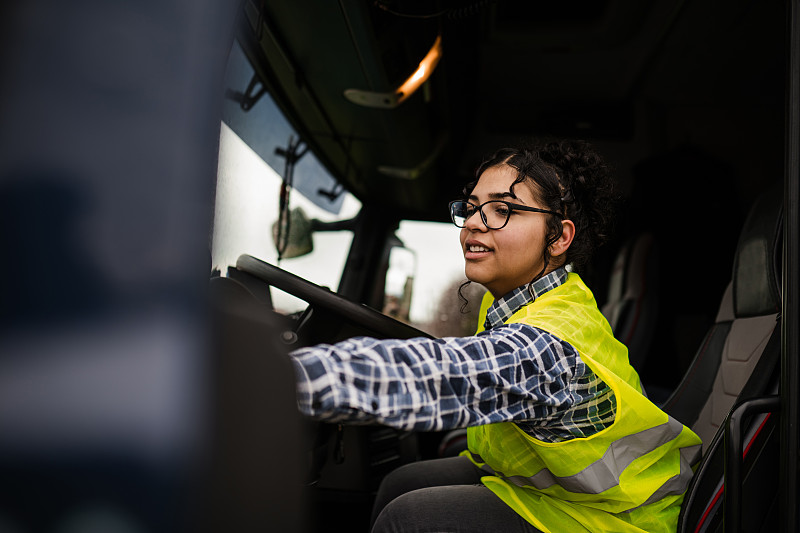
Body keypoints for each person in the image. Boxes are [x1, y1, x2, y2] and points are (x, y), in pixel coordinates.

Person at [288, 139, 702, 533]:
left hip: (619, 520)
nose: (471, 223)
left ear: (558, 237)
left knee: (408, 517)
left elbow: (443, 376)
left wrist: (278, 378)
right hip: (557, 493)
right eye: (470, 208)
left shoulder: (549, 341)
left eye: (502, 209)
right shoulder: (518, 303)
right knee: (402, 481)